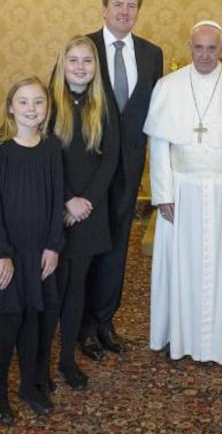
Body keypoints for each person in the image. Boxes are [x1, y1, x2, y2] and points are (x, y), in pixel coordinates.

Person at [143, 20, 222, 367]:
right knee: (182, 265)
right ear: (189, 47)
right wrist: (162, 194)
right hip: (181, 191)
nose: (204, 55)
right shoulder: (168, 86)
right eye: (198, 48)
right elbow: (158, 146)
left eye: (211, 48)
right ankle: (181, 336)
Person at [79, 0, 163, 360]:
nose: (124, 12)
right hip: (89, 167)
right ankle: (82, 327)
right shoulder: (84, 49)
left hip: (129, 167)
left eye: (131, 6)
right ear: (103, 8)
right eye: (117, 5)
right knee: (86, 248)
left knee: (116, 248)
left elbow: (154, 111)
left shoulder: (151, 54)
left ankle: (105, 321)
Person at [49, 35, 119, 389]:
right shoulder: (48, 103)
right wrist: (66, 200)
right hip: (54, 212)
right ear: (64, 65)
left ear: (96, 68)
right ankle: (40, 362)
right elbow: (45, 159)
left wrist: (85, 201)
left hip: (90, 214)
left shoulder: (103, 105)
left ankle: (66, 361)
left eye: (87, 61)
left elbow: (110, 159)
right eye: (73, 60)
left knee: (76, 289)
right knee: (52, 291)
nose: (80, 67)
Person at [0, 77, 64, 425]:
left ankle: (28, 385)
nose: (30, 109)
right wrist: (2, 253)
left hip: (40, 254)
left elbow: (57, 201)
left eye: (38, 102)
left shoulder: (52, 150)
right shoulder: (2, 153)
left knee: (34, 322)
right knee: (8, 322)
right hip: (9, 255)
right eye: (23, 102)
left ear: (46, 109)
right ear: (11, 107)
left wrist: (54, 245)